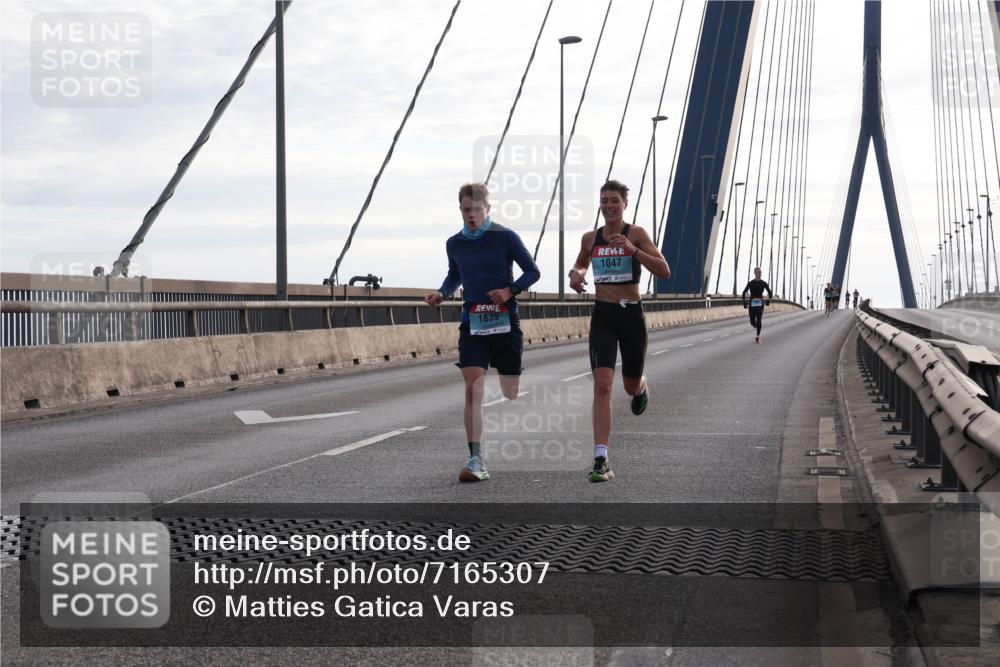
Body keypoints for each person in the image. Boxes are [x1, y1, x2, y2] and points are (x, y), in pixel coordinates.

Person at [425, 183, 540, 483]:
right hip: (473, 323)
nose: (471, 215)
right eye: (466, 210)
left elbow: (533, 271)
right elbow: (454, 275)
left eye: (477, 209)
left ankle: (512, 372)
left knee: (510, 392)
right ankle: (476, 459)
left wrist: (510, 290)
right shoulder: (454, 243)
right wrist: (442, 293)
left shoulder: (506, 238)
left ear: (488, 209)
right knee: (472, 387)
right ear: (460, 210)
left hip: (505, 323)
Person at [568, 180, 671, 483]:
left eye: (614, 200)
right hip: (603, 315)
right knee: (602, 385)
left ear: (625, 204)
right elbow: (581, 265)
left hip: (631, 316)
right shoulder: (591, 238)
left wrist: (634, 252)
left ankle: (640, 386)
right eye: (604, 200)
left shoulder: (636, 234)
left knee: (628, 386)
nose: (609, 205)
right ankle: (601, 459)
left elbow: (664, 270)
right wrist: (577, 275)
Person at [741, 267, 773, 344]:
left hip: (760, 303)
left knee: (759, 319)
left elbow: (770, 293)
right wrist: (744, 302)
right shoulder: (751, 283)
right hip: (752, 303)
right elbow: (744, 292)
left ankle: (757, 336)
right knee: (752, 322)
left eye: (760, 272)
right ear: (755, 273)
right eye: (758, 272)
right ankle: (755, 325)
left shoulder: (764, 283)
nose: (760, 273)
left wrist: (769, 300)